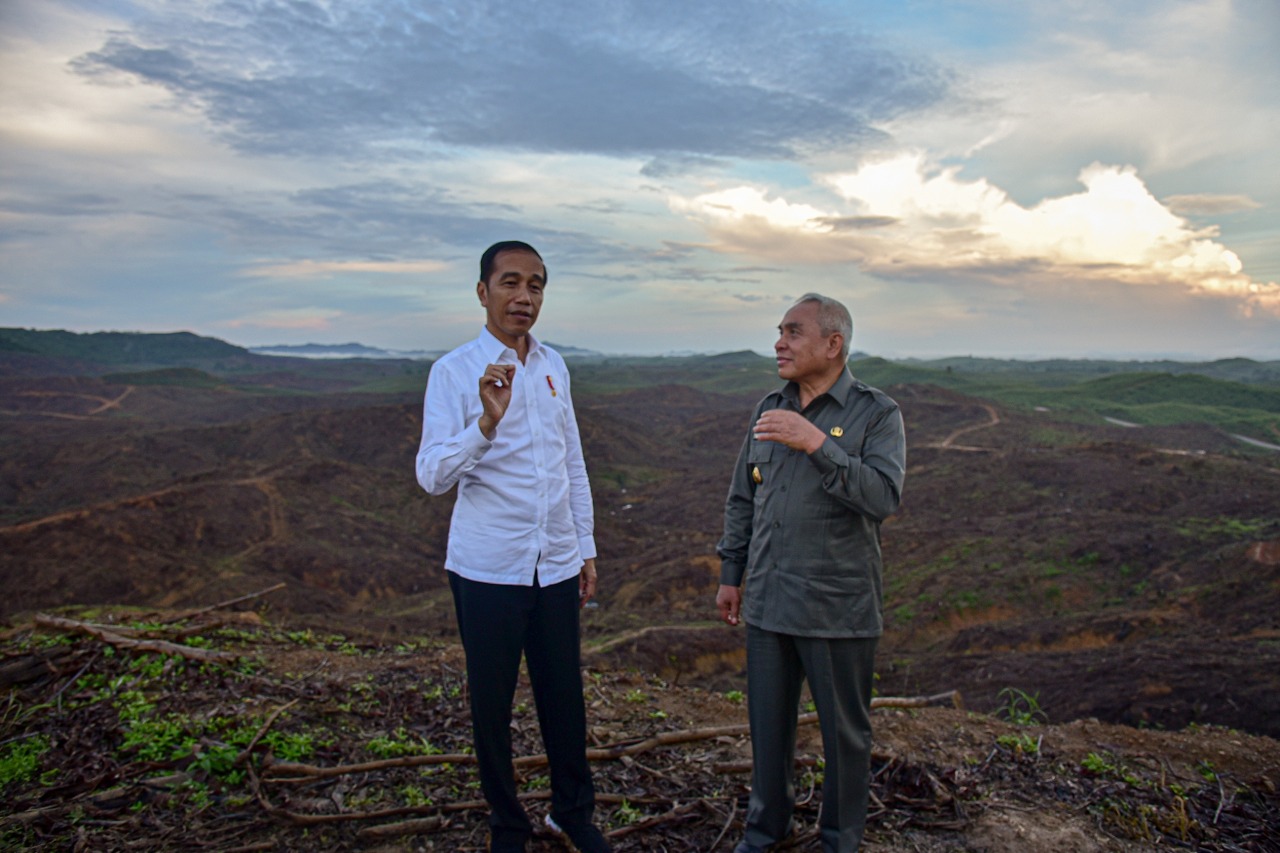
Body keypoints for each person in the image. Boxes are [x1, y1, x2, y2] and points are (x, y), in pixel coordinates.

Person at [416, 240, 611, 853]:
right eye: (509, 283)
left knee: (564, 698)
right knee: (492, 707)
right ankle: (507, 825)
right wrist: (485, 423)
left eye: (536, 284)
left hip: (553, 562)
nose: (524, 296)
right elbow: (431, 475)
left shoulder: (555, 366)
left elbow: (571, 462)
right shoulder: (453, 372)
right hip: (487, 569)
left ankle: (572, 815)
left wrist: (584, 543)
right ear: (482, 291)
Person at [716, 293, 906, 853]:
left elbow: (882, 497)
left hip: (836, 606)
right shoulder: (767, 406)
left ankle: (840, 841)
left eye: (793, 332)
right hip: (770, 601)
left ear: (833, 344)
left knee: (844, 736)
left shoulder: (877, 413)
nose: (779, 342)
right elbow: (742, 496)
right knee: (768, 730)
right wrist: (732, 572)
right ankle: (765, 832)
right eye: (779, 331)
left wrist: (818, 444)